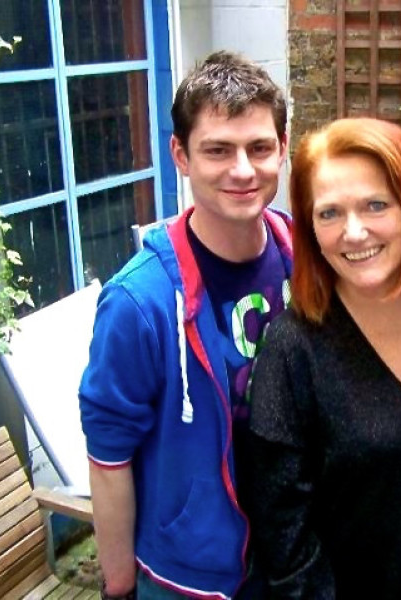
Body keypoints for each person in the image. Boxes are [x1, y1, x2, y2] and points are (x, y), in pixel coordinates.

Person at [247, 117, 401, 600]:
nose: (353, 233)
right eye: (329, 213)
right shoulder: (295, 347)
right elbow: (284, 533)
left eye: (375, 205)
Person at [79, 51, 291, 600]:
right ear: (180, 155)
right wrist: (119, 587)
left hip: (294, 554)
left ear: (283, 150)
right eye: (218, 150)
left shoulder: (308, 256)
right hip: (190, 578)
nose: (243, 170)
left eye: (259, 148)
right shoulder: (137, 303)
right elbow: (108, 457)